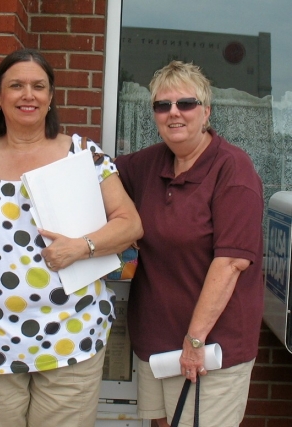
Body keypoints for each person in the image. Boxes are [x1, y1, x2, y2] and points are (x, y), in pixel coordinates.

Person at [0, 48, 143, 427]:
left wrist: (82, 247)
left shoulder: (82, 155)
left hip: (71, 331)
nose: (27, 94)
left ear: (50, 98)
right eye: (16, 85)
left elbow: (130, 224)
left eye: (38, 86)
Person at [115, 61, 264, 426]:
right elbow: (94, 176)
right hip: (156, 341)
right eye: (162, 105)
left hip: (210, 349)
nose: (174, 113)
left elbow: (230, 263)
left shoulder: (232, 170)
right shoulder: (148, 164)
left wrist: (194, 342)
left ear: (207, 111)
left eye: (186, 103)